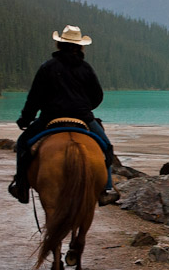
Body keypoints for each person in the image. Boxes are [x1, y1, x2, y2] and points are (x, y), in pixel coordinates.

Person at [8, 25, 113, 203]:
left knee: (23, 144)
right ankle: (105, 190)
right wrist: (85, 108)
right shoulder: (86, 68)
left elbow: (34, 97)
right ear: (80, 46)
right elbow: (97, 96)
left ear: (59, 44)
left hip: (51, 117)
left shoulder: (47, 67)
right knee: (107, 147)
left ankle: (21, 186)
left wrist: (25, 119)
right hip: (83, 118)